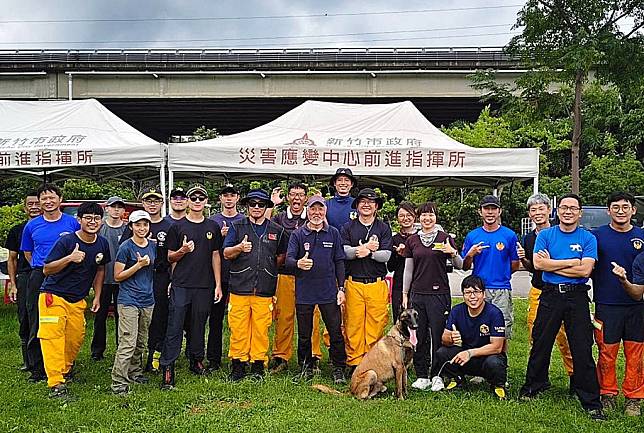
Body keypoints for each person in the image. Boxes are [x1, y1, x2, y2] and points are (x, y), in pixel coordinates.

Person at [519, 193, 605, 421]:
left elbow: (585, 271)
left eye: (572, 208)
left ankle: (589, 399)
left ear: (579, 212)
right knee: (541, 342)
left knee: (581, 347)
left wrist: (552, 265)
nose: (568, 211)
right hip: (550, 295)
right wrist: (570, 262)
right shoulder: (546, 235)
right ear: (557, 211)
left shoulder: (588, 238)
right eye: (564, 207)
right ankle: (533, 386)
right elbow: (538, 264)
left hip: (577, 297)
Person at [39, 202, 110, 398]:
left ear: (101, 222)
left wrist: (97, 296)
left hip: (77, 300)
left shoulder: (102, 243)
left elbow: (101, 269)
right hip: (53, 297)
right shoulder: (67, 242)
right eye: (88, 218)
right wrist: (69, 258)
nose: (92, 222)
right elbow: (47, 269)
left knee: (75, 339)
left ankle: (65, 370)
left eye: (96, 218)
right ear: (79, 220)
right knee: (53, 340)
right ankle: (55, 383)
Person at [159, 185, 223, 389]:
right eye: (193, 197)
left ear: (206, 201)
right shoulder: (177, 227)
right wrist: (183, 251)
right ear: (187, 201)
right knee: (175, 326)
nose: (197, 201)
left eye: (201, 198)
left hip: (204, 285)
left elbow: (215, 256)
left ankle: (196, 360)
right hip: (182, 284)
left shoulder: (212, 226)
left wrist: (218, 284)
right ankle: (168, 366)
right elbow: (170, 257)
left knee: (198, 325)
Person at [224, 189, 288, 381]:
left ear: (267, 206)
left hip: (264, 288)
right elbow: (226, 253)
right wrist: (239, 248)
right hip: (239, 286)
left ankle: (258, 364)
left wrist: (267, 268)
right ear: (247, 206)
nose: (257, 207)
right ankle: (238, 363)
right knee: (238, 327)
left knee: (261, 328)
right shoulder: (237, 227)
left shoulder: (277, 230)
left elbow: (282, 256)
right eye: (253, 204)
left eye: (261, 204)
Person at [20, 183, 80, 382]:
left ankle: (64, 365)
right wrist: (42, 268)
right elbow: (28, 252)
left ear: (60, 200)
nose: (48, 201)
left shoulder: (72, 223)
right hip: (39, 274)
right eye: (43, 199)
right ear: (39, 202)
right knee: (36, 320)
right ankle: (37, 367)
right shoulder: (32, 225)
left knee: (65, 323)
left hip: (66, 276)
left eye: (52, 197)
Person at [591, 192, 643, 416]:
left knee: (636, 354)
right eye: (615, 207)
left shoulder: (642, 236)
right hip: (606, 304)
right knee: (606, 352)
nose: (621, 211)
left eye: (625, 206)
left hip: (637, 307)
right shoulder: (597, 236)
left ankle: (634, 398)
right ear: (608, 211)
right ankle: (607, 394)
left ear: (633, 210)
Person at [401, 201, 463, 391]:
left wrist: (452, 253)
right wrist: (405, 293)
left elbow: (461, 265)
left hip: (439, 295)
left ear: (436, 217)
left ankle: (438, 374)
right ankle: (421, 375)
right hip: (418, 294)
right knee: (417, 335)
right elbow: (408, 270)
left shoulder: (445, 238)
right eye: (424, 215)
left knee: (438, 336)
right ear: (419, 218)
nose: (427, 218)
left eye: (431, 215)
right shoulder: (412, 240)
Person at [286, 196, 348, 383]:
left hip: (328, 291)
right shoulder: (298, 234)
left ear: (325, 211)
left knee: (335, 331)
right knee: (305, 333)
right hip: (305, 291)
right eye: (313, 209)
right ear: (307, 211)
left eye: (320, 209)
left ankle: (338, 368)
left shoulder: (334, 233)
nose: (317, 213)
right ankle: (306, 366)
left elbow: (339, 261)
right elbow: (288, 260)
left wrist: (341, 288)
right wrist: (298, 263)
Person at [517, 193, 573, 389]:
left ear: (550, 210)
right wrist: (524, 259)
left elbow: (562, 265)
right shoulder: (529, 238)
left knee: (566, 337)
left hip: (560, 291)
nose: (538, 213)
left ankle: (575, 377)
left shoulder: (560, 233)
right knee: (536, 335)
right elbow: (534, 267)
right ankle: (539, 379)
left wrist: (548, 263)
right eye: (533, 210)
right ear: (529, 214)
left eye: (542, 209)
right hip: (538, 289)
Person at [268, 182, 322, 373]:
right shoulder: (279, 218)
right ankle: (281, 356)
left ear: (306, 198)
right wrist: (272, 205)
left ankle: (313, 356)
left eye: (301, 195)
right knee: (284, 316)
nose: (297, 198)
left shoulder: (315, 216)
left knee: (313, 318)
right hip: (286, 275)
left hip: (310, 277)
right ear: (288, 197)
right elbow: (264, 229)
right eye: (293, 194)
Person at [120, 187, 173, 373]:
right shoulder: (133, 228)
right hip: (137, 280)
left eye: (156, 200)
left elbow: (172, 256)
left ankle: (154, 356)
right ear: (143, 203)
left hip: (160, 278)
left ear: (162, 203)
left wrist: (171, 280)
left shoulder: (168, 226)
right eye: (149, 200)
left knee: (158, 318)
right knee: (137, 324)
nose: (152, 204)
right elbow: (123, 256)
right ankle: (133, 362)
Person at [341, 188, 393, 369]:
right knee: (353, 324)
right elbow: (344, 251)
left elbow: (386, 255)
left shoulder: (383, 228)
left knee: (375, 325)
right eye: (362, 201)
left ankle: (372, 363)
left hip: (376, 283)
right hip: (354, 282)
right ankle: (354, 363)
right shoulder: (348, 227)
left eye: (371, 202)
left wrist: (370, 252)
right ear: (357, 206)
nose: (366, 204)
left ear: (376, 206)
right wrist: (358, 251)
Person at [434, 275, 508, 400]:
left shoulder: (494, 313)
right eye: (467, 292)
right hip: (466, 358)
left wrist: (469, 353)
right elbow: (444, 340)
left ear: (484, 294)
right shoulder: (457, 311)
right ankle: (457, 379)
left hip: (486, 357)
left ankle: (498, 385)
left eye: (476, 292)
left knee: (495, 362)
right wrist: (451, 337)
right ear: (463, 295)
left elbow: (497, 347)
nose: (472, 296)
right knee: (442, 353)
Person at [462, 195, 520, 342]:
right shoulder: (472, 236)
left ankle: (501, 361)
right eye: (486, 209)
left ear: (499, 211)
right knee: (478, 326)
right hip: (478, 289)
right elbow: (465, 266)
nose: (490, 212)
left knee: (502, 327)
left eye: (493, 208)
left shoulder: (509, 235)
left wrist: (502, 274)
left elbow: (515, 264)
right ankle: (479, 360)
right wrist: (470, 255)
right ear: (480, 212)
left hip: (502, 289)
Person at [111, 210, 156, 395]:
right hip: (128, 300)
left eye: (145, 224)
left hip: (148, 299)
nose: (142, 228)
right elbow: (117, 276)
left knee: (141, 341)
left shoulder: (152, 246)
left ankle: (135, 372)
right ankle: (118, 382)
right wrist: (137, 266)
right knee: (127, 341)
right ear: (131, 227)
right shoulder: (126, 247)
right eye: (138, 225)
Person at [207, 184, 245, 372]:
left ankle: (238, 357)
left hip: (239, 277)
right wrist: (220, 237)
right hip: (218, 277)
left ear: (238, 198)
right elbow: (208, 250)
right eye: (225, 195)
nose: (229, 199)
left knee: (238, 321)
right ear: (220, 199)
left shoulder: (244, 220)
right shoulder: (213, 221)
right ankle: (213, 359)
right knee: (215, 320)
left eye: (232, 195)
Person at [6, 193, 41, 370]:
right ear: (25, 207)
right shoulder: (17, 230)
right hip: (25, 277)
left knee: (43, 318)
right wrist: (13, 283)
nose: (34, 207)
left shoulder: (48, 227)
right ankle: (28, 361)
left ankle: (44, 360)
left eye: (37, 203)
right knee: (25, 317)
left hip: (46, 276)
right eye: (30, 204)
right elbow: (12, 259)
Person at [91, 196, 126, 361]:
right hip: (103, 279)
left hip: (123, 280)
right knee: (100, 316)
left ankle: (122, 348)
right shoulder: (100, 228)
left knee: (123, 317)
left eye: (119, 207)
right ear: (107, 208)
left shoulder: (127, 229)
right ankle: (97, 350)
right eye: (113, 207)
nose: (116, 210)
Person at [387, 202, 417, 322]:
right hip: (399, 284)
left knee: (418, 321)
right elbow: (390, 267)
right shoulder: (393, 239)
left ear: (414, 216)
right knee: (400, 320)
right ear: (397, 219)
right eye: (402, 215)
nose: (406, 218)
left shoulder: (420, 237)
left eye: (409, 215)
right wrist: (397, 254)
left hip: (418, 284)